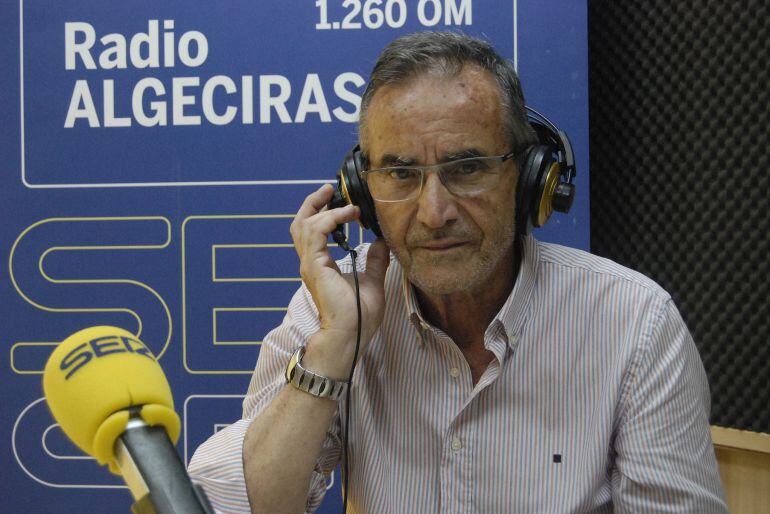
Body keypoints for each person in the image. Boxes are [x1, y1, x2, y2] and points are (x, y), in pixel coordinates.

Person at [188, 31, 727, 513]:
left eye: (466, 167)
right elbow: (237, 507)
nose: (433, 212)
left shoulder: (635, 323)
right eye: (400, 173)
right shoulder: (332, 311)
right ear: (362, 193)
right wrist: (334, 348)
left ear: (529, 177)